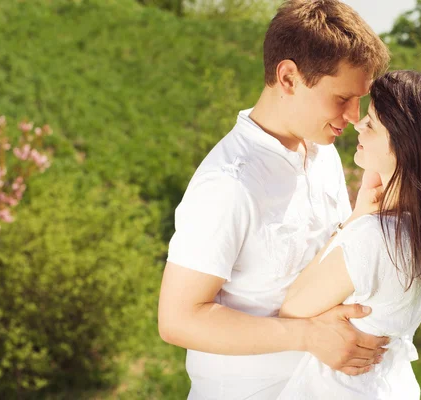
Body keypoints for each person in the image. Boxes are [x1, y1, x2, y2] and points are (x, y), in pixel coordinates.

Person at [157, 1, 391, 398]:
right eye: (341, 98)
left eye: (359, 100)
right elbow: (178, 319)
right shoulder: (228, 183)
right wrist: (308, 336)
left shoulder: (323, 154)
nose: (354, 116)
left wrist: (361, 218)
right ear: (288, 78)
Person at [277, 70, 421, 399]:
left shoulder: (375, 237)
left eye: (372, 124)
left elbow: (292, 308)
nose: (358, 125)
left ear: (406, 147)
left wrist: (357, 216)